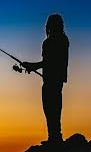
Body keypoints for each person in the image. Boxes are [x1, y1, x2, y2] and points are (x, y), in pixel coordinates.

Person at [21, 13, 69, 144]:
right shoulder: (63, 40)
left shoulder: (52, 41)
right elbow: (49, 61)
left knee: (51, 108)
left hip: (52, 80)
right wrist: (33, 66)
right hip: (55, 79)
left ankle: (55, 138)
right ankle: (54, 137)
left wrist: (32, 66)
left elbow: (50, 62)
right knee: (52, 109)